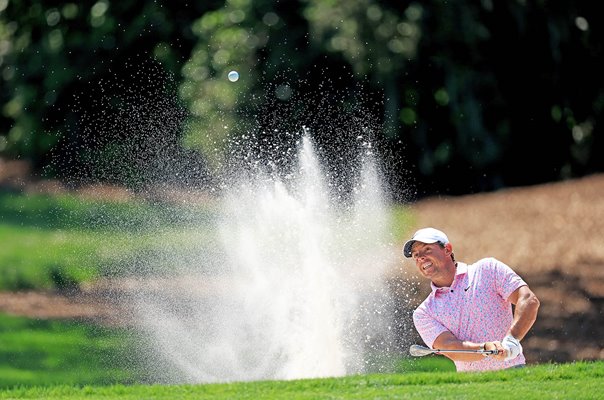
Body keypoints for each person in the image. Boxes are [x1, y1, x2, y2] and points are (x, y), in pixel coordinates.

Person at [403, 227, 540, 371]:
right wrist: (484, 348)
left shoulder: (488, 270)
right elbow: (449, 346)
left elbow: (528, 299)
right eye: (416, 255)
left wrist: (512, 340)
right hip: (470, 386)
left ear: (447, 249)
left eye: (427, 250)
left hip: (513, 371)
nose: (420, 257)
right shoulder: (424, 312)